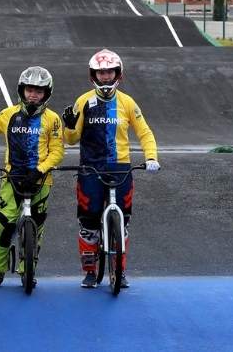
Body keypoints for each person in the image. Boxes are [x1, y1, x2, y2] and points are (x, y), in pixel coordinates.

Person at [62, 49, 159, 289]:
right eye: (100, 72)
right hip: (90, 169)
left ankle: (120, 271)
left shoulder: (127, 103)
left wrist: (151, 157)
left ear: (118, 74)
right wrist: (71, 126)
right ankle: (89, 271)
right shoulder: (83, 101)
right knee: (89, 222)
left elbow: (144, 132)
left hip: (120, 168)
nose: (105, 77)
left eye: (109, 72)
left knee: (123, 222)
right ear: (93, 75)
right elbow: (71, 140)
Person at [0, 66, 64, 288]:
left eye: (39, 91)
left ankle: (27, 271)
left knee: (37, 227)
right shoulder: (8, 114)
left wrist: (40, 170)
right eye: (30, 90)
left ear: (47, 93)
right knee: (3, 224)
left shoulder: (52, 119)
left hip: (40, 180)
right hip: (12, 179)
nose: (33, 94)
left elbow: (57, 152)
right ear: (22, 91)